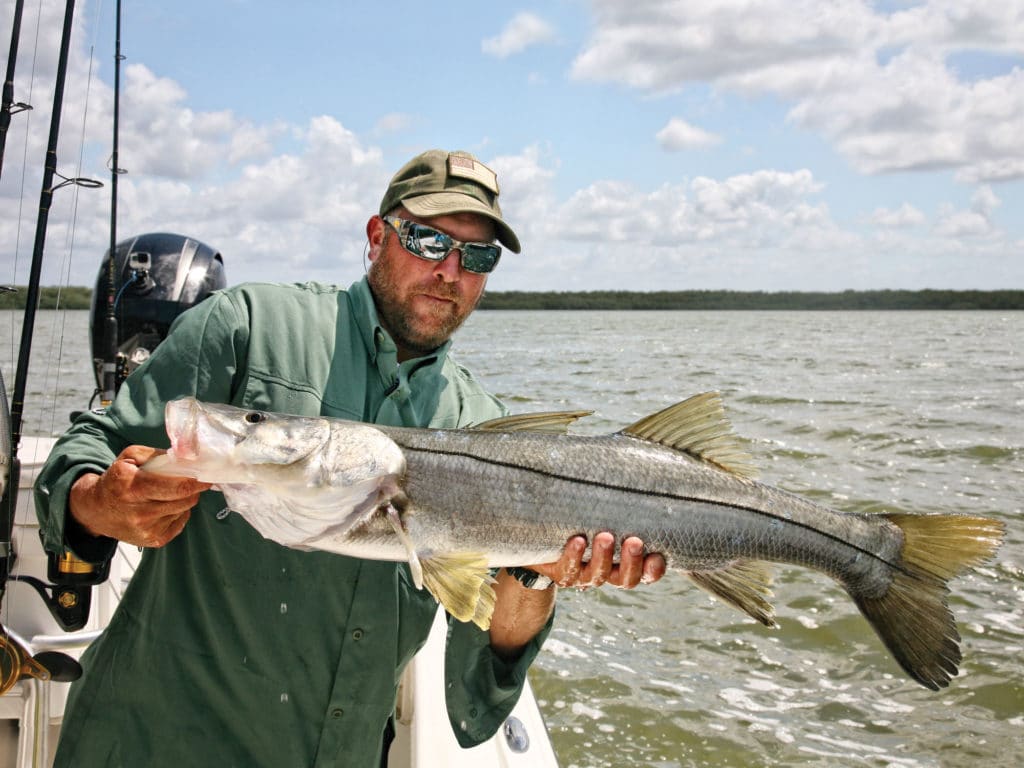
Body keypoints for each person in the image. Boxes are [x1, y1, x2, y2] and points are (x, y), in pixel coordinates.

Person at [34, 149, 667, 767]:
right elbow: (85, 451)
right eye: (427, 241)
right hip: (157, 742)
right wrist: (102, 503)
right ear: (377, 235)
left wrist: (539, 574)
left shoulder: (484, 424)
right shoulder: (249, 325)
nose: (450, 270)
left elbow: (474, 687)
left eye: (477, 256)